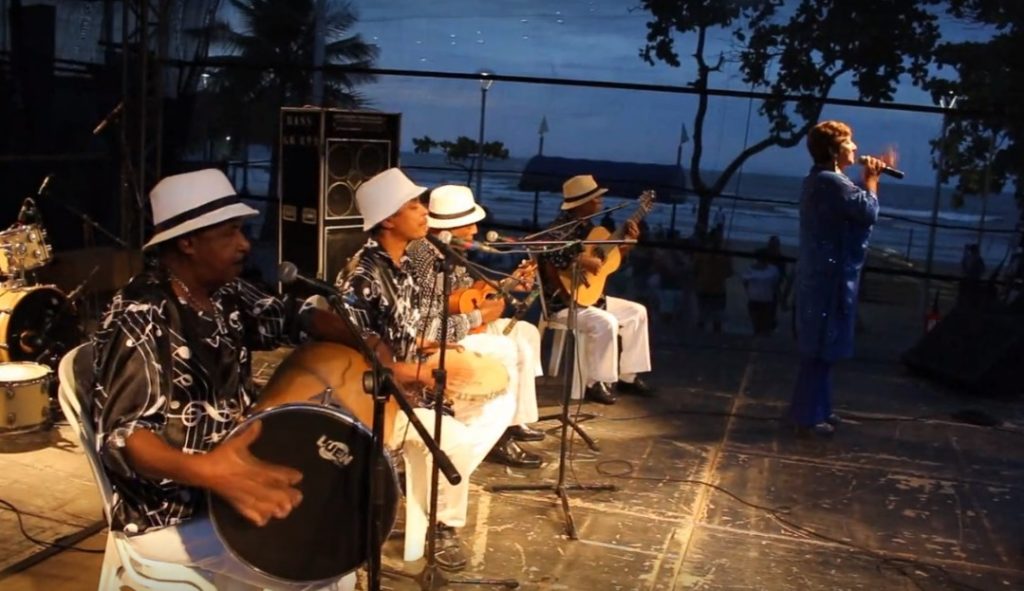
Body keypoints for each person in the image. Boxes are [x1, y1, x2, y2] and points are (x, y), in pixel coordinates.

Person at [91, 169, 359, 590]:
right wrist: (210, 471)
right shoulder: (142, 314)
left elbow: (293, 316)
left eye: (242, 231)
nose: (245, 244)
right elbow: (125, 437)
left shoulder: (223, 292)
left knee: (338, 531)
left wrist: (364, 340)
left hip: (228, 480)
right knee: (317, 560)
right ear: (188, 242)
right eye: (230, 232)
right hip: (171, 511)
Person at [335, 168, 515, 571]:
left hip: (409, 380)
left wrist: (427, 345)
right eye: (413, 205)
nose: (424, 212)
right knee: (456, 440)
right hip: (377, 401)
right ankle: (443, 524)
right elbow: (354, 349)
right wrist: (410, 373)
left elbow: (406, 327)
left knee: (496, 401)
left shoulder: (401, 267)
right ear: (388, 220)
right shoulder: (363, 276)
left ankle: (424, 482)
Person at [406, 184, 545, 469]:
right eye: (468, 224)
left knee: (526, 333)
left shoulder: (450, 251)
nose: (475, 230)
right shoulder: (424, 257)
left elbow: (467, 295)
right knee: (506, 348)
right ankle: (497, 436)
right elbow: (428, 327)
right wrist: (478, 317)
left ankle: (514, 421)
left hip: (463, 326)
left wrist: (508, 284)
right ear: (448, 227)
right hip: (439, 340)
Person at [789, 120, 893, 436]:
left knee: (824, 348)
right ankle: (808, 416)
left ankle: (819, 408)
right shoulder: (830, 182)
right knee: (821, 348)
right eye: (849, 142)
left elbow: (851, 206)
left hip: (824, 274)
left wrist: (865, 181)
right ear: (834, 150)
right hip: (828, 278)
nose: (855, 147)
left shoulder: (825, 181)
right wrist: (871, 180)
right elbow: (867, 211)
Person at [537, 174, 653, 405]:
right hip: (563, 303)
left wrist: (627, 244)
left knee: (637, 312)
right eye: (595, 197)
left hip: (591, 298)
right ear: (581, 203)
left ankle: (628, 377)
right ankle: (595, 382)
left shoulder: (591, 229)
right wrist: (579, 260)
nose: (600, 200)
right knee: (606, 322)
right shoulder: (558, 229)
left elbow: (607, 262)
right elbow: (548, 253)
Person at [693, 227, 733, 333]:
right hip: (712, 290)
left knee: (708, 317)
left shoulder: (702, 253)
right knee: (712, 318)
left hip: (710, 289)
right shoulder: (722, 254)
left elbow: (694, 270)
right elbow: (729, 273)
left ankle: (702, 336)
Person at [742, 249, 781, 335]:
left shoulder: (773, 269)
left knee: (765, 328)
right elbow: (745, 283)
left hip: (767, 302)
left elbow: (775, 286)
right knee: (757, 327)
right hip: (755, 301)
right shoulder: (750, 269)